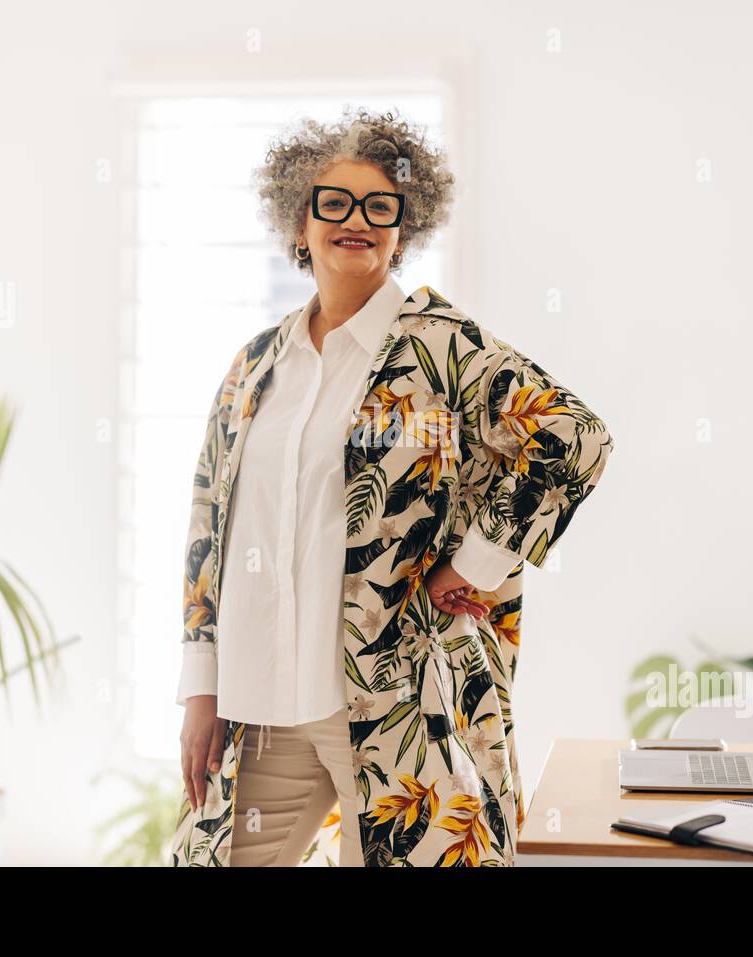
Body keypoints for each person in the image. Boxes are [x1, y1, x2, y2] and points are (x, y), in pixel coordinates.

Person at [173, 107, 613, 867]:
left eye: (382, 206)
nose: (358, 220)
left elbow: (575, 435)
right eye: (334, 202)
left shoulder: (441, 345)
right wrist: (200, 688)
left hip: (391, 707)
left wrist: (472, 564)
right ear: (299, 221)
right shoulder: (255, 367)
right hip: (264, 710)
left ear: (403, 228)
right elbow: (211, 522)